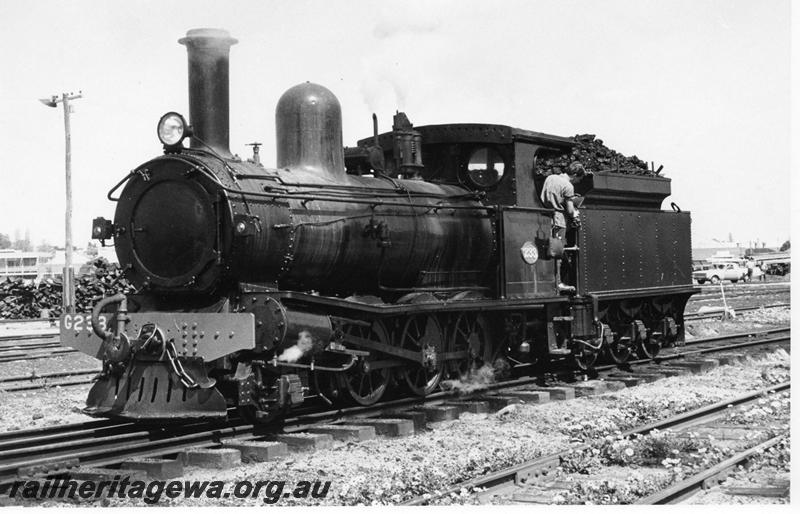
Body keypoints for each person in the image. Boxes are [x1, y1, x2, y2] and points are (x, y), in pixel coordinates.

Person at [540, 162, 585, 293]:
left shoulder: (550, 178)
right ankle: (558, 283)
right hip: (558, 220)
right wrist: (575, 213)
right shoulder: (568, 186)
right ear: (575, 175)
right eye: (578, 179)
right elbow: (570, 210)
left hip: (544, 216)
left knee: (547, 250)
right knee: (558, 252)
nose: (577, 182)